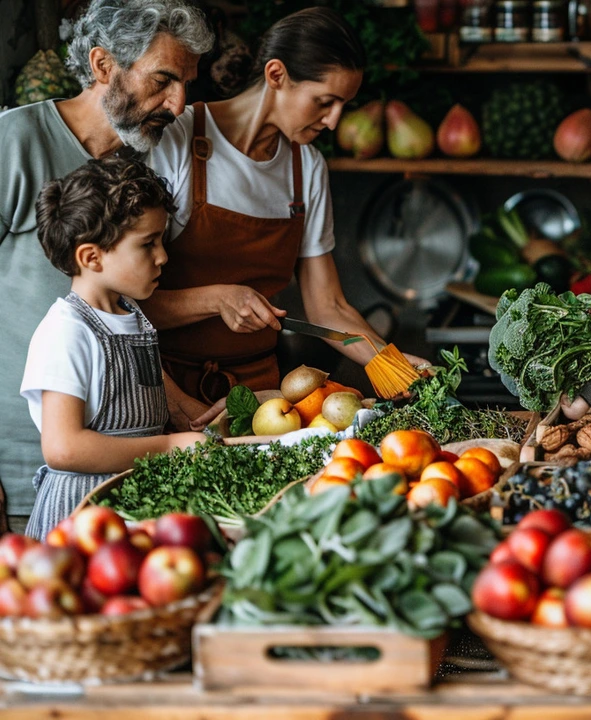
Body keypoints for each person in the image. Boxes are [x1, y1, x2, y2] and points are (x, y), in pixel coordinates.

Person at [0, 0, 212, 533]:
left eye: (186, 83)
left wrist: (176, 403)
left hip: (119, 479)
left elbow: (115, 321)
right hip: (23, 468)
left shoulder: (133, 169)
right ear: (102, 66)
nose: (179, 102)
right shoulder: (14, 142)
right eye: (163, 79)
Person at [145, 7, 424, 410]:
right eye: (324, 102)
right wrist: (215, 300)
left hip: (266, 396)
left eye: (343, 105)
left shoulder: (306, 167)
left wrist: (395, 368)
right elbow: (124, 302)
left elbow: (327, 306)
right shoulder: (176, 140)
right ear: (277, 75)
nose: (333, 121)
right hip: (171, 390)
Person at [21, 158, 206, 540]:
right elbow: (64, 447)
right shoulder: (66, 331)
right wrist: (170, 446)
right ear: (91, 257)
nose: (163, 256)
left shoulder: (132, 316)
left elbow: (157, 409)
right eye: (147, 244)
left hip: (133, 511)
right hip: (80, 522)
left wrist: (202, 424)